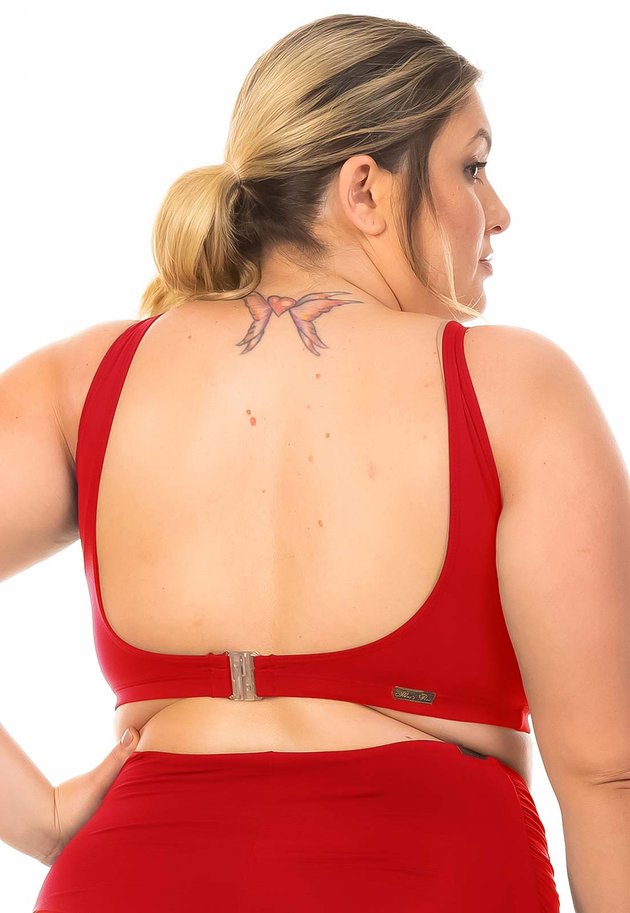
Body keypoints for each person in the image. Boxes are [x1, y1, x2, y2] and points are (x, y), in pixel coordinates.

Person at [1, 12, 628, 913]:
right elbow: (608, 776)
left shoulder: (85, 378)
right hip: (430, 879)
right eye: (473, 167)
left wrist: (45, 821)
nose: (497, 212)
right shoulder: (515, 386)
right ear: (365, 190)